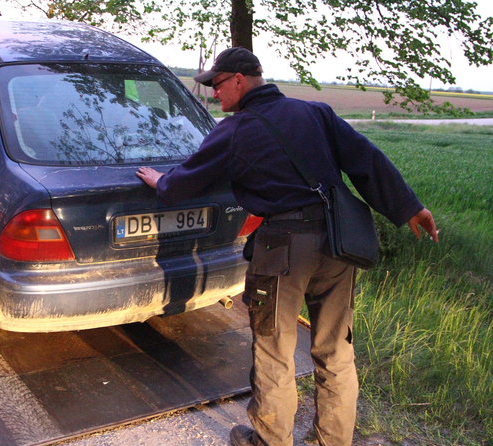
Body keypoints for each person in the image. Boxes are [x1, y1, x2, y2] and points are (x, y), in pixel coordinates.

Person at [136, 47, 439, 446]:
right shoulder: (316, 112)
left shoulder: (236, 129)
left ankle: (270, 440)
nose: (214, 95)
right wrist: (408, 207)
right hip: (337, 243)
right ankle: (331, 441)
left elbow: (189, 180)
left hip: (283, 248)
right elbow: (366, 159)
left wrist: (162, 182)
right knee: (335, 349)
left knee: (274, 347)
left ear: (240, 80)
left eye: (218, 85)